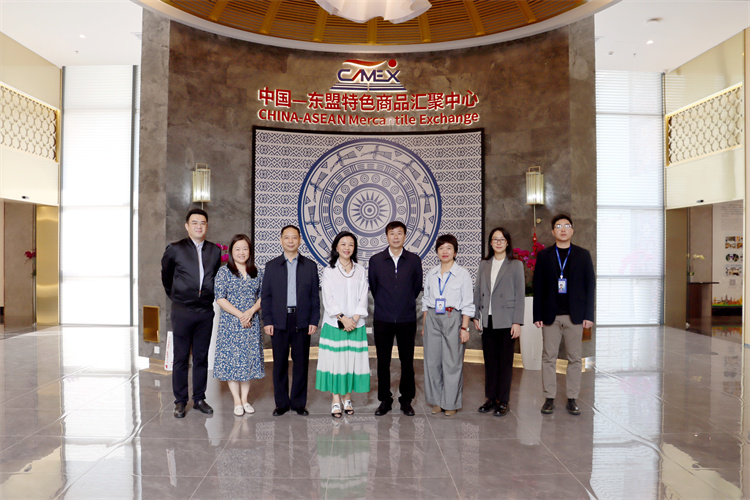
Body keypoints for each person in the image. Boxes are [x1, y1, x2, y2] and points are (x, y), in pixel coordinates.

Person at [161, 208, 222, 418]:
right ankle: (180, 401)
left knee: (201, 357)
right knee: (180, 358)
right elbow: (166, 277)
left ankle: (199, 399)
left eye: (202, 223)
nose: (199, 226)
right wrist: (177, 296)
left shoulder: (214, 251)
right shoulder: (175, 249)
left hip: (205, 311)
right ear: (187, 226)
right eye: (194, 222)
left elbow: (214, 276)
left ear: (207, 226)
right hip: (182, 310)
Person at [533, 214, 595, 416]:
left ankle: (572, 398)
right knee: (548, 357)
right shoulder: (544, 256)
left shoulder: (583, 255)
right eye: (558, 226)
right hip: (550, 316)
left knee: (575, 358)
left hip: (574, 316)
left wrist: (589, 315)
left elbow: (590, 287)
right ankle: (549, 398)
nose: (563, 229)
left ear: (572, 230)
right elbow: (538, 287)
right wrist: (537, 315)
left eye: (567, 226)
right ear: (553, 231)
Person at [261, 225, 320, 417]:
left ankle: (298, 404)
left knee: (301, 363)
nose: (291, 241)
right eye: (287, 237)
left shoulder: (310, 266)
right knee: (279, 364)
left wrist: (314, 320)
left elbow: (314, 297)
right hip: (279, 319)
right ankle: (281, 404)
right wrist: (267, 320)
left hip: (302, 319)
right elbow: (266, 296)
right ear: (281, 240)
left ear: (300, 240)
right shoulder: (271, 266)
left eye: (294, 237)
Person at [368, 220, 423, 417]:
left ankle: (406, 400)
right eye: (392, 233)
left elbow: (416, 287)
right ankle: (385, 400)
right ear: (386, 236)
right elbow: (374, 287)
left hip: (407, 319)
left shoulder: (414, 260)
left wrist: (402, 303)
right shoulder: (376, 260)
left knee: (407, 361)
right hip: (383, 318)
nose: (396, 237)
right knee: (383, 361)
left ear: (405, 236)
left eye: (399, 233)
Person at [315, 231, 370, 418]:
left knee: (351, 363)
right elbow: (328, 298)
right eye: (343, 244)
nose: (347, 248)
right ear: (336, 247)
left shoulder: (360, 270)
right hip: (334, 325)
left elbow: (363, 296)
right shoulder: (329, 271)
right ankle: (335, 400)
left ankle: (348, 399)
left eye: (351, 245)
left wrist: (354, 319)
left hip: (356, 325)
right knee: (335, 363)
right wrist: (342, 318)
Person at [472, 227, 525, 417]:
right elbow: (478, 290)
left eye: (502, 239)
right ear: (490, 243)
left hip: (507, 320)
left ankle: (503, 401)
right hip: (487, 319)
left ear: (507, 242)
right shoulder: (484, 264)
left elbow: (520, 295)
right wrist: (476, 315)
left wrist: (517, 322)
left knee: (505, 363)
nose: (498, 242)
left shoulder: (516, 265)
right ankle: (491, 398)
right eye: (495, 239)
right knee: (490, 362)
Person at [421, 234, 475, 416]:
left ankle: (450, 403)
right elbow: (425, 301)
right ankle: (437, 401)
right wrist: (425, 325)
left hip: (453, 317)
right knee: (432, 362)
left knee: (452, 362)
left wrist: (464, 328)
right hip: (432, 318)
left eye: (449, 248)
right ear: (437, 252)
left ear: (455, 252)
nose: (445, 252)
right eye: (441, 248)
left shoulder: (463, 274)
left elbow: (468, 303)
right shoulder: (431, 274)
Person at [213, 234, 264, 416]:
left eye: (245, 249)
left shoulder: (256, 272)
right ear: (231, 251)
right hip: (231, 324)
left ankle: (245, 399)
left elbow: (263, 296)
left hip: (251, 323)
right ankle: (236, 400)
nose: (241, 252)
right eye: (237, 249)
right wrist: (241, 315)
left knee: (247, 361)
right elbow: (220, 298)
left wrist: (250, 312)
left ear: (249, 251)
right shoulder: (224, 272)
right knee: (232, 362)